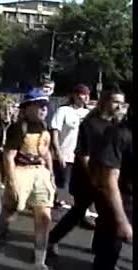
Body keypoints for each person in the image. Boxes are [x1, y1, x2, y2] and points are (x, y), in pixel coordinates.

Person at [47, 88, 126, 258]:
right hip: (88, 177)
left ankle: (99, 250)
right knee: (78, 211)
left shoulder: (116, 126)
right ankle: (52, 239)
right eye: (115, 102)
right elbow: (84, 155)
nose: (119, 106)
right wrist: (95, 178)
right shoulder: (91, 124)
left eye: (121, 102)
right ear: (105, 102)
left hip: (104, 176)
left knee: (105, 214)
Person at [0, 89, 55, 270]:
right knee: (9, 212)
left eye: (45, 105)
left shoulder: (44, 126)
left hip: (40, 171)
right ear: (28, 107)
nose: (43, 109)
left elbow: (46, 151)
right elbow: (8, 156)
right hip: (21, 170)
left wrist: (51, 174)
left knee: (44, 217)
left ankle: (39, 261)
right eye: (39, 105)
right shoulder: (18, 128)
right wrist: (11, 183)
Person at [91, 107, 132, 270]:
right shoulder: (120, 134)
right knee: (108, 255)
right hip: (120, 202)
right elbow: (110, 179)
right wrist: (122, 220)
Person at [50, 84, 90, 208]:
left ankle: (74, 206)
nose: (86, 97)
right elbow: (55, 132)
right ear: (75, 95)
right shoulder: (64, 110)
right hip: (64, 154)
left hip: (80, 156)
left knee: (77, 184)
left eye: (88, 94)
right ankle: (52, 202)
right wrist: (58, 152)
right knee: (60, 183)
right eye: (83, 94)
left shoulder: (88, 114)